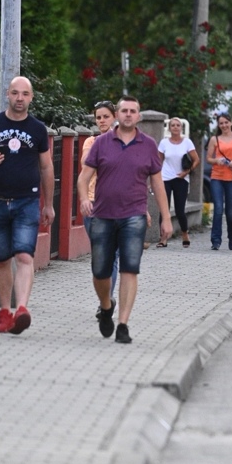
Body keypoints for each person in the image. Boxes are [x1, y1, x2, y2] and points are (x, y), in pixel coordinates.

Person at [78, 96, 173, 344]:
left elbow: (157, 183)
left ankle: (123, 324)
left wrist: (166, 218)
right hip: (102, 215)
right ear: (117, 115)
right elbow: (83, 177)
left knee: (130, 268)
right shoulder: (101, 143)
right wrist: (83, 198)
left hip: (134, 215)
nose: (128, 114)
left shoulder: (149, 145)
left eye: (133, 111)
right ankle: (106, 306)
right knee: (100, 271)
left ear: (138, 116)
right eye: (124, 111)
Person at [0, 76, 54, 335]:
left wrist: (48, 204)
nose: (19, 98)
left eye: (24, 94)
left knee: (25, 255)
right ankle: (5, 313)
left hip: (27, 200)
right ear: (8, 94)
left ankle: (22, 309)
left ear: (31, 97)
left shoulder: (38, 129)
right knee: (2, 258)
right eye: (15, 93)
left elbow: (47, 166)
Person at [81, 100, 119, 307]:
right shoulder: (91, 142)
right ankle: (105, 298)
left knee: (111, 255)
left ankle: (106, 302)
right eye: (99, 117)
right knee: (100, 257)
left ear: (114, 118)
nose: (102, 121)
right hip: (93, 204)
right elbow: (86, 164)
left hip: (117, 206)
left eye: (106, 116)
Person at [205, 112, 232, 250]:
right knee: (218, 209)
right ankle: (216, 240)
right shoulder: (214, 139)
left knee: (230, 212)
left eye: (226, 122)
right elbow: (209, 159)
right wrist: (217, 160)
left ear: (231, 123)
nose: (224, 125)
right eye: (221, 123)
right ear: (218, 125)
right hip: (217, 176)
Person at [158, 117, 200, 247]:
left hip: (181, 178)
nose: (175, 127)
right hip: (166, 177)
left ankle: (184, 233)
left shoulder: (187, 142)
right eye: (173, 125)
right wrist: (155, 177)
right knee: (164, 209)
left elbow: (196, 159)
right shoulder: (164, 143)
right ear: (169, 128)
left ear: (181, 128)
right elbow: (158, 161)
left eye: (177, 125)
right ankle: (163, 238)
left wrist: (187, 172)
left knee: (179, 209)